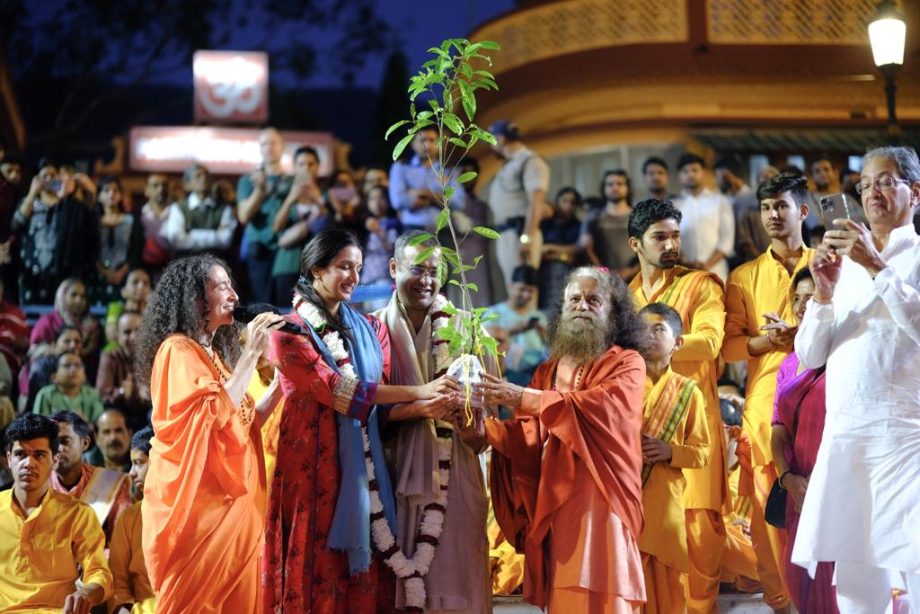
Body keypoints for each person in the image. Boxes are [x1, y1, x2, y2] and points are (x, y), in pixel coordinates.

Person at [263, 228, 458, 612]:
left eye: (357, 267)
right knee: (314, 569)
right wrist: (424, 391)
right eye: (343, 267)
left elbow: (380, 402)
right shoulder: (288, 334)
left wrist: (434, 403)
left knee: (365, 575)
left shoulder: (371, 330)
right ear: (316, 271)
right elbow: (342, 393)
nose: (353, 277)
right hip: (311, 471)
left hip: (365, 471)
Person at [793, 145, 920, 612]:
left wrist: (877, 266)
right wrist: (824, 296)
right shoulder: (840, 267)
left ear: (916, 192)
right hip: (847, 436)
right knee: (854, 576)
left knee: (915, 561)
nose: (873, 193)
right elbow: (808, 356)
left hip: (906, 438)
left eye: (886, 181)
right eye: (865, 185)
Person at [480, 266, 648, 612]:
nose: (581, 306)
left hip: (603, 499)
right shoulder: (548, 370)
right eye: (574, 299)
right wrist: (482, 427)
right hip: (557, 500)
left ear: (612, 312)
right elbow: (529, 433)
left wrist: (523, 397)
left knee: (606, 594)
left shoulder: (627, 362)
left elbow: (603, 408)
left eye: (593, 300)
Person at [136, 254, 286, 612]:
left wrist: (283, 379)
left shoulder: (213, 355)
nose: (234, 295)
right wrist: (251, 353)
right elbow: (216, 412)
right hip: (198, 511)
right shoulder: (177, 350)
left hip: (235, 508)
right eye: (222, 287)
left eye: (231, 285)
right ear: (195, 300)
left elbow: (247, 421)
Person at [373, 230, 498, 612]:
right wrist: (422, 406)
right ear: (394, 268)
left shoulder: (469, 330)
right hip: (392, 475)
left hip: (456, 472)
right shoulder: (370, 330)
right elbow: (363, 413)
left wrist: (471, 427)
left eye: (434, 270)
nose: (426, 280)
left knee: (457, 578)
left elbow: (489, 419)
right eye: (417, 269)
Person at [627, 198, 729, 613]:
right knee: (643, 539)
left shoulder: (701, 284)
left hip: (691, 423)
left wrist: (656, 343)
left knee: (701, 535)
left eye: (675, 236)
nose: (671, 245)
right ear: (636, 244)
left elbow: (709, 343)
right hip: (639, 435)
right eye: (660, 237)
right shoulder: (626, 297)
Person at [722, 172, 814, 613]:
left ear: (804, 211)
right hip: (765, 401)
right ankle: (781, 601)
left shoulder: (830, 264)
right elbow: (730, 346)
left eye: (782, 206)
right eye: (766, 208)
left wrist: (801, 335)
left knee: (820, 495)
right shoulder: (743, 276)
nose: (773, 215)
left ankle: (821, 594)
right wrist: (767, 342)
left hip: (820, 391)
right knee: (767, 504)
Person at [769, 269, 837, 614]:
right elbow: (778, 429)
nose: (800, 305)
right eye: (796, 298)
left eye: (810, 297)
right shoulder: (790, 363)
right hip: (799, 490)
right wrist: (787, 478)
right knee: (798, 582)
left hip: (838, 488)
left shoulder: (847, 356)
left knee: (839, 587)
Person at [637, 302, 710, 614]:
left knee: (668, 593)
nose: (649, 336)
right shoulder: (620, 385)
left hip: (665, 505)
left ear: (678, 342)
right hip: (627, 503)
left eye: (659, 329)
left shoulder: (688, 391)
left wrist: (671, 452)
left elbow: (703, 453)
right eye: (643, 330)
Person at [0, 413, 112, 612]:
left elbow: (98, 572)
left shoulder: (77, 514)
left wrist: (86, 593)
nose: (28, 463)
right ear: (9, 460)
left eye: (39, 455)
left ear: (55, 460)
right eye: (20, 454)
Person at [12, 158, 99, 304]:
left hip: (60, 274)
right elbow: (16, 224)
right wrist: (33, 193)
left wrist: (70, 194)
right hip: (30, 273)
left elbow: (86, 227)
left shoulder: (68, 207)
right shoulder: (28, 203)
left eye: (53, 175)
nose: (48, 179)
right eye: (44, 175)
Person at [49, 410, 132, 542]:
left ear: (85, 443)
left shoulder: (110, 483)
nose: (58, 448)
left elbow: (121, 543)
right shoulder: (37, 484)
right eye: (53, 443)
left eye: (65, 441)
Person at [487, 120, 550, 288]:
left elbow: (536, 201)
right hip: (508, 233)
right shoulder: (510, 164)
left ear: (500, 139)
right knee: (513, 289)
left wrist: (527, 238)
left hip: (520, 232)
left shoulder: (529, 160)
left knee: (523, 288)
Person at [237, 127, 294, 303]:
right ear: (260, 149)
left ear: (282, 147)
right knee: (262, 303)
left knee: (286, 305)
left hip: (287, 249)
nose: (269, 147)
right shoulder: (248, 181)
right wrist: (259, 190)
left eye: (273, 143)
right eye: (264, 144)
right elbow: (244, 216)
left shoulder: (292, 181)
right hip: (259, 249)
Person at [271, 145, 329, 302]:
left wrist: (318, 199)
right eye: (301, 164)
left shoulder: (326, 195)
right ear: (294, 167)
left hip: (317, 268)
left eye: (311, 164)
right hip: (287, 264)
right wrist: (290, 198)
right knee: (285, 318)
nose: (306, 168)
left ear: (318, 167)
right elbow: (276, 227)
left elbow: (330, 224)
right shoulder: (284, 194)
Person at [109, 426, 156, 614]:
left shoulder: (193, 514)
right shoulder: (130, 518)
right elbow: (118, 582)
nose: (132, 473)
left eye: (139, 463)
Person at [389, 125, 466, 234]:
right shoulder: (401, 167)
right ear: (413, 144)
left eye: (432, 140)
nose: (427, 145)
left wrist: (422, 193)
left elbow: (459, 203)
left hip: (443, 231)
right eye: (422, 140)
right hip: (413, 229)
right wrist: (439, 198)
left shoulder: (449, 170)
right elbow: (398, 201)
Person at [673, 153, 735, 281]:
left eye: (695, 170)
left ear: (704, 173)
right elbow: (672, 238)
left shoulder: (720, 201)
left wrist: (707, 266)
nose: (690, 174)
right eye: (685, 171)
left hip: (716, 272)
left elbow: (727, 240)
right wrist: (686, 263)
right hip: (684, 273)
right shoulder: (674, 205)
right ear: (679, 176)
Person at [485, 265, 548, 387]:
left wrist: (543, 333)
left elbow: (548, 348)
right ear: (510, 286)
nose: (526, 295)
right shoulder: (494, 313)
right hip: (504, 374)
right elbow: (482, 340)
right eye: (522, 289)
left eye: (530, 291)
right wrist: (514, 330)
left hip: (535, 374)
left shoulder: (539, 317)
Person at [161, 163, 237, 260]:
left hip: (216, 262)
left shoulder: (224, 208)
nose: (203, 179)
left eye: (206, 175)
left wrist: (191, 234)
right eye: (198, 176)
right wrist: (214, 234)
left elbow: (225, 240)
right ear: (188, 185)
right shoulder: (178, 208)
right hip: (185, 262)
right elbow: (177, 240)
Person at [94, 176, 144, 304]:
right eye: (106, 190)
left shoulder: (131, 221)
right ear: (99, 196)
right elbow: (89, 249)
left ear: (121, 195)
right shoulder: (92, 222)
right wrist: (103, 271)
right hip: (97, 276)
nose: (111, 194)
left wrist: (123, 271)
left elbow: (136, 248)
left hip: (125, 275)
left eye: (115, 191)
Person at [580, 170, 639, 279]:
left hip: (637, 278)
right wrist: (604, 272)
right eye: (610, 184)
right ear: (604, 188)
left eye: (620, 184)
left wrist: (631, 271)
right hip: (602, 280)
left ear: (627, 188)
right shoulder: (592, 217)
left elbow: (648, 248)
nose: (615, 187)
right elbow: (585, 248)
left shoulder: (638, 216)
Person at [96, 310, 148, 429]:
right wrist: (121, 392)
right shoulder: (110, 357)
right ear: (118, 336)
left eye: (138, 330)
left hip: (146, 413)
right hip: (120, 410)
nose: (133, 337)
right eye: (127, 332)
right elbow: (102, 394)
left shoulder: (154, 357)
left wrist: (149, 394)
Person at [539, 186, 583, 309]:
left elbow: (578, 249)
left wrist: (550, 247)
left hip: (569, 269)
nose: (568, 205)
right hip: (543, 269)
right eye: (564, 201)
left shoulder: (579, 226)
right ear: (557, 202)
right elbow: (540, 250)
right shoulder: (547, 223)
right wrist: (563, 255)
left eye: (573, 203)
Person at [32, 352, 105, 422]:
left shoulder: (92, 394)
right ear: (54, 377)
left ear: (84, 377)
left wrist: (85, 423)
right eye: (67, 366)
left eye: (78, 365)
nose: (73, 370)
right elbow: (38, 426)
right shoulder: (45, 394)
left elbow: (100, 425)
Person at [84, 408, 132, 473]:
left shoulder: (145, 463)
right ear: (96, 438)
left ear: (129, 434)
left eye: (118, 430)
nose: (113, 437)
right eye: (106, 432)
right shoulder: (84, 466)